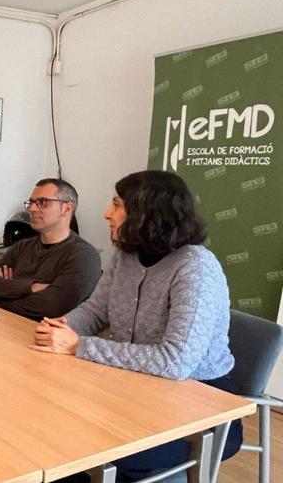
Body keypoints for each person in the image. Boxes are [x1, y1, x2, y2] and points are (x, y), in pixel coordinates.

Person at [32, 170, 241, 482]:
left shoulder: (196, 266)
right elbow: (95, 311)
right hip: (134, 388)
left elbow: (176, 362)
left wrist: (79, 346)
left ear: (148, 212)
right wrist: (59, 328)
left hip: (201, 409)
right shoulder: (125, 254)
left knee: (83, 447)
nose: (106, 213)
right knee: (53, 428)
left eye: (117, 205)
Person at [0, 178, 101, 321]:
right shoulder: (22, 246)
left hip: (42, 336)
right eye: (31, 202)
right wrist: (31, 287)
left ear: (67, 208)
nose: (32, 208)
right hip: (5, 325)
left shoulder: (84, 256)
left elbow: (51, 306)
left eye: (42, 202)